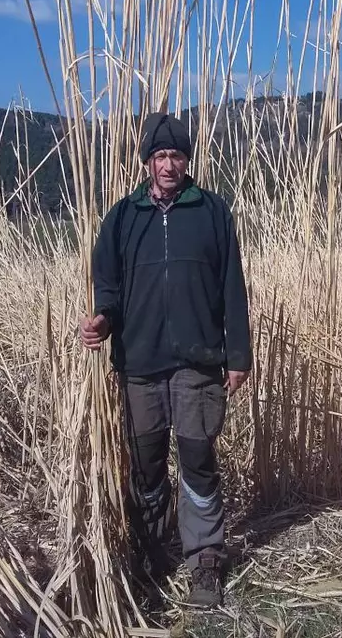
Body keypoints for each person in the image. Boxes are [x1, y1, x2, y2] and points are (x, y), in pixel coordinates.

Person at [79, 112, 251, 609]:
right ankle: (152, 556)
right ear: (148, 162)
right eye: (160, 156)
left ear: (187, 160)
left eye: (177, 155)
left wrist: (237, 354)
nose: (169, 164)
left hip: (199, 363)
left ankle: (204, 562)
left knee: (197, 460)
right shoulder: (122, 218)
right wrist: (102, 322)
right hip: (139, 364)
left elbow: (232, 291)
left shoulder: (212, 212)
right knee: (147, 464)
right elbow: (107, 288)